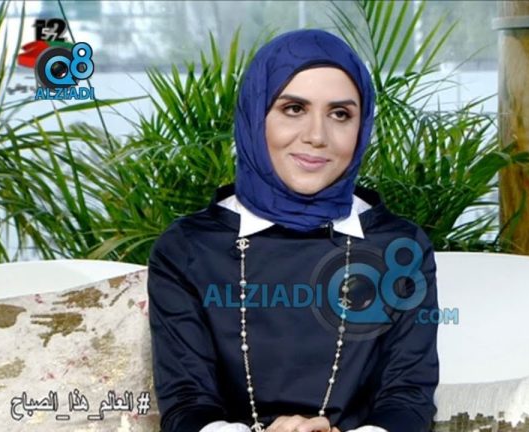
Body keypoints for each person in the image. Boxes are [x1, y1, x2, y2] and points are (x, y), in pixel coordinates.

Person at [148, 29, 439, 432]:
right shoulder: (188, 248)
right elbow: (186, 404)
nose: (317, 136)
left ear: (362, 126)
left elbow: (408, 399)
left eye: (340, 114)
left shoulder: (400, 247)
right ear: (255, 115)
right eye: (294, 108)